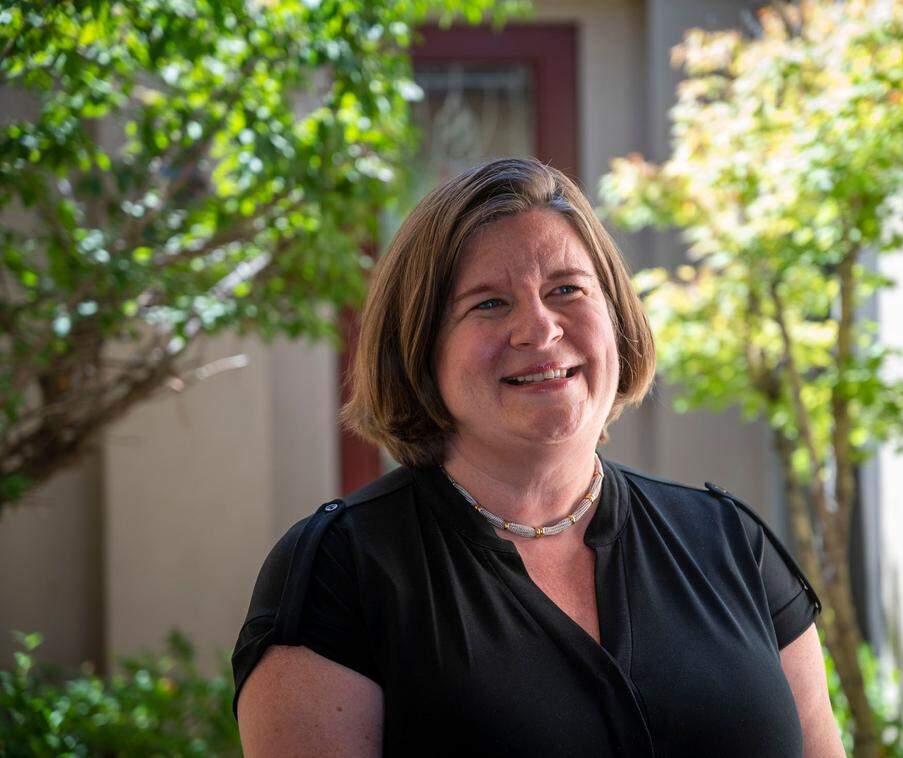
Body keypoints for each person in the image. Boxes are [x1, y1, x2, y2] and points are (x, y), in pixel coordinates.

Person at [231, 158, 844, 756]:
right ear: (420, 347)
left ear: (615, 318)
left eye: (567, 289)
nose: (540, 328)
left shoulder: (730, 544)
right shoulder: (342, 572)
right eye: (490, 303)